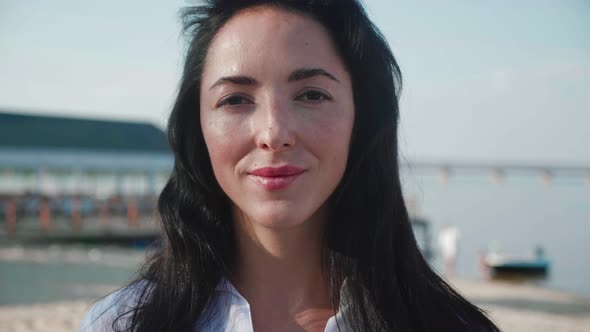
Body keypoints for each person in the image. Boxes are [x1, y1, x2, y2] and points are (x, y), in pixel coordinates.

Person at [79, 1, 499, 331]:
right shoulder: (121, 324)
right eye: (235, 99)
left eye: (312, 95)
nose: (273, 132)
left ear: (363, 117)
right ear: (198, 128)